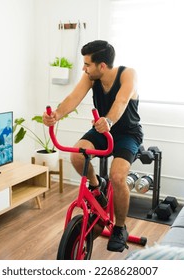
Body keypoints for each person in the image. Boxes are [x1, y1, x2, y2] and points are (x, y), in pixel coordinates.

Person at [43, 40, 143, 252]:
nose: (84, 68)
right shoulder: (91, 76)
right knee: (77, 156)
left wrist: (108, 121)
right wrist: (56, 115)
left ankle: (119, 227)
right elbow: (74, 97)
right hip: (101, 130)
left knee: (117, 177)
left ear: (102, 66)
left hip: (127, 134)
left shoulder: (128, 75)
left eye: (87, 64)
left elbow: (121, 101)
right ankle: (98, 186)